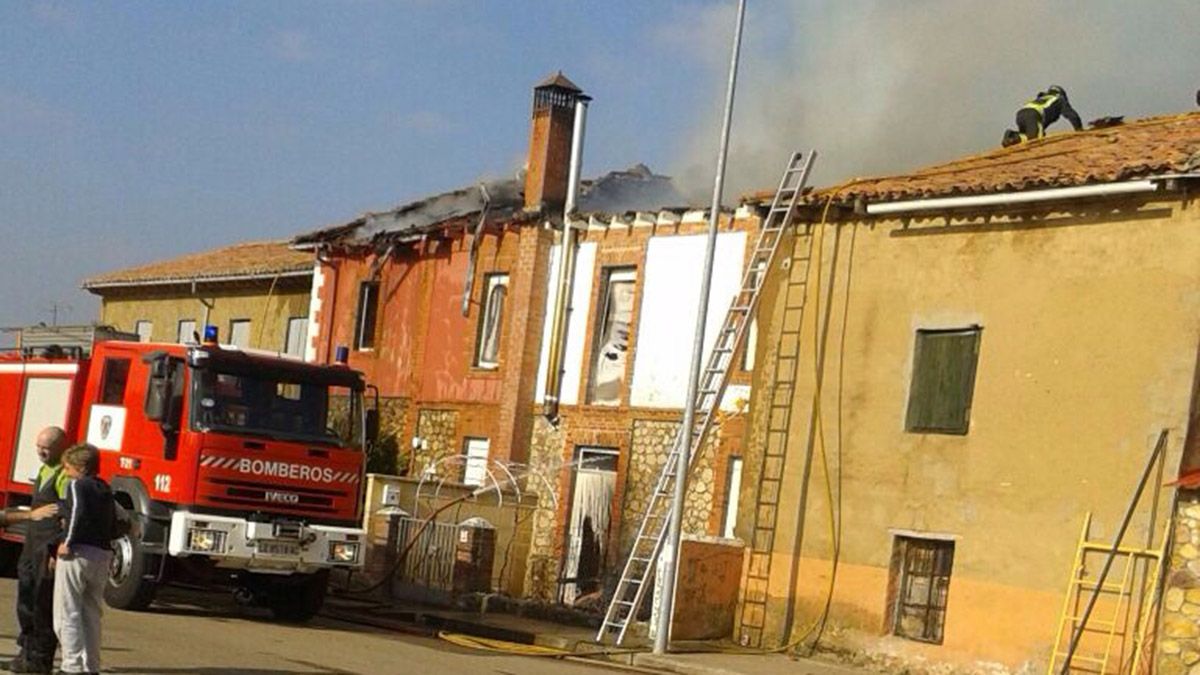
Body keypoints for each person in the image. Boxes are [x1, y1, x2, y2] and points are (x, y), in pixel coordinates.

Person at [7, 427, 70, 674]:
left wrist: (57, 550)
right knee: (25, 599)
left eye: (46, 447)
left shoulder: (63, 476)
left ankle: (41, 659)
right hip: (31, 546)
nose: (41, 451)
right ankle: (26, 651)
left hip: (47, 548)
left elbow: (68, 515)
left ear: (60, 448)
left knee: (43, 603)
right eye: (38, 446)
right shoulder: (44, 470)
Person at [53, 444, 115, 675]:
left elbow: (77, 512)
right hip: (101, 554)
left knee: (66, 611)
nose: (66, 472)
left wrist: (66, 541)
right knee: (91, 612)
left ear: (79, 467)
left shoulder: (78, 485)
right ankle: (91, 666)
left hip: (78, 552)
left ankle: (71, 665)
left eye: (68, 467)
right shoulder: (105, 488)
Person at [1002, 85, 1084, 147]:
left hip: (1021, 114)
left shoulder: (1042, 98)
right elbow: (1071, 115)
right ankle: (1012, 137)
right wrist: (1079, 129)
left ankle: (1012, 137)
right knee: (1036, 141)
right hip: (1034, 115)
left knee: (1027, 137)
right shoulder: (1059, 99)